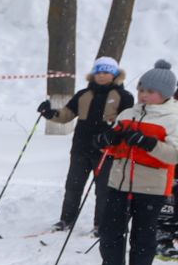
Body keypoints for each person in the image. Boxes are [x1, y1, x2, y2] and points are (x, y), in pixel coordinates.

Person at [90, 60, 178, 265]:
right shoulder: (128, 113)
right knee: (110, 228)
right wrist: (105, 140)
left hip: (152, 185)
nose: (143, 95)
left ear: (165, 94)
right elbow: (110, 146)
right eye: (141, 89)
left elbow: (174, 156)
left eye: (150, 91)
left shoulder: (173, 118)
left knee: (142, 232)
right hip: (119, 181)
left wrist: (148, 143)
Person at [41, 56, 134, 231]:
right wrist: (50, 113)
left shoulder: (124, 96)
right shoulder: (83, 94)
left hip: (107, 151)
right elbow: (66, 115)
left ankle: (100, 224)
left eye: (106, 72)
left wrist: (113, 135)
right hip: (81, 149)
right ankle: (66, 220)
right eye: (98, 72)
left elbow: (127, 123)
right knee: (73, 186)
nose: (101, 75)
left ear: (114, 75)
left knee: (103, 190)